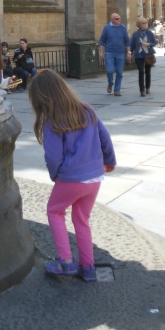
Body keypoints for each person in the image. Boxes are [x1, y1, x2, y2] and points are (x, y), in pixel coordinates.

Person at [28, 69, 116, 282]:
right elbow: (105, 138)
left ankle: (66, 262)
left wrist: (55, 175)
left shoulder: (52, 120)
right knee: (81, 219)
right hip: (95, 178)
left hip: (71, 177)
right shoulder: (86, 110)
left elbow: (53, 156)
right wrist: (109, 162)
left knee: (54, 211)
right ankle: (88, 267)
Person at [98, 12, 132, 96]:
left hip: (120, 52)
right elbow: (102, 40)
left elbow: (127, 41)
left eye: (119, 18)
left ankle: (117, 90)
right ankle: (110, 83)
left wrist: (128, 53)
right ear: (112, 19)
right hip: (109, 52)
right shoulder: (106, 28)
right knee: (110, 70)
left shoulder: (123, 28)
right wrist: (101, 52)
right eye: (117, 19)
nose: (119, 20)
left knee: (120, 72)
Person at [130, 17, 157, 97]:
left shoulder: (149, 33)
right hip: (139, 55)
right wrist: (130, 53)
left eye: (146, 23)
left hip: (148, 55)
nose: (146, 24)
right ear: (139, 25)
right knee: (141, 71)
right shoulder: (135, 34)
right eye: (143, 23)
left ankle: (147, 87)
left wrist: (149, 44)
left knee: (147, 71)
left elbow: (154, 42)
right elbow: (132, 45)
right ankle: (142, 90)